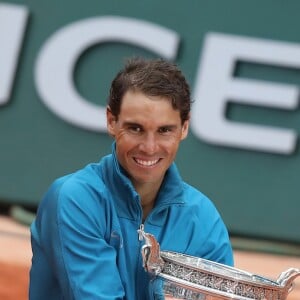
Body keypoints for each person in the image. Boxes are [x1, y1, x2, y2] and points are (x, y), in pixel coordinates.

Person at [29, 57, 233, 299]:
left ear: (184, 128)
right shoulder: (74, 199)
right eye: (135, 128)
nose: (149, 147)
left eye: (164, 130)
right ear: (111, 121)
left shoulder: (203, 219)